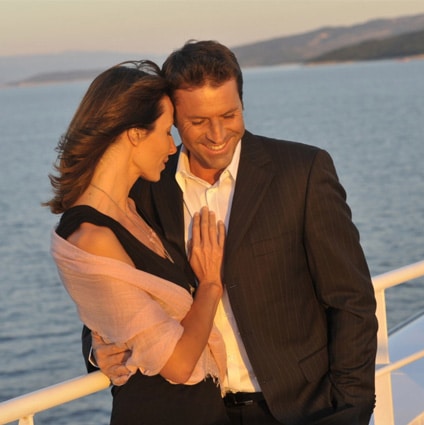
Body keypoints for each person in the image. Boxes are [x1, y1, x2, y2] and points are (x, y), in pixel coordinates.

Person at [87, 41, 378, 425]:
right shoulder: (144, 190)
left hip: (302, 411)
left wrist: (350, 411)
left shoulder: (302, 172)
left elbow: (351, 301)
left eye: (229, 114)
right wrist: (97, 349)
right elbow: (111, 291)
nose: (217, 134)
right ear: (172, 117)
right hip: (190, 413)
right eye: (198, 122)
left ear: (242, 101)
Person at [45, 60, 231, 425]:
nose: (173, 146)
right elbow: (178, 364)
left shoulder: (133, 208)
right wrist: (210, 284)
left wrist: (99, 346)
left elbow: (123, 313)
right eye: (166, 132)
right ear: (134, 134)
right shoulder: (91, 236)